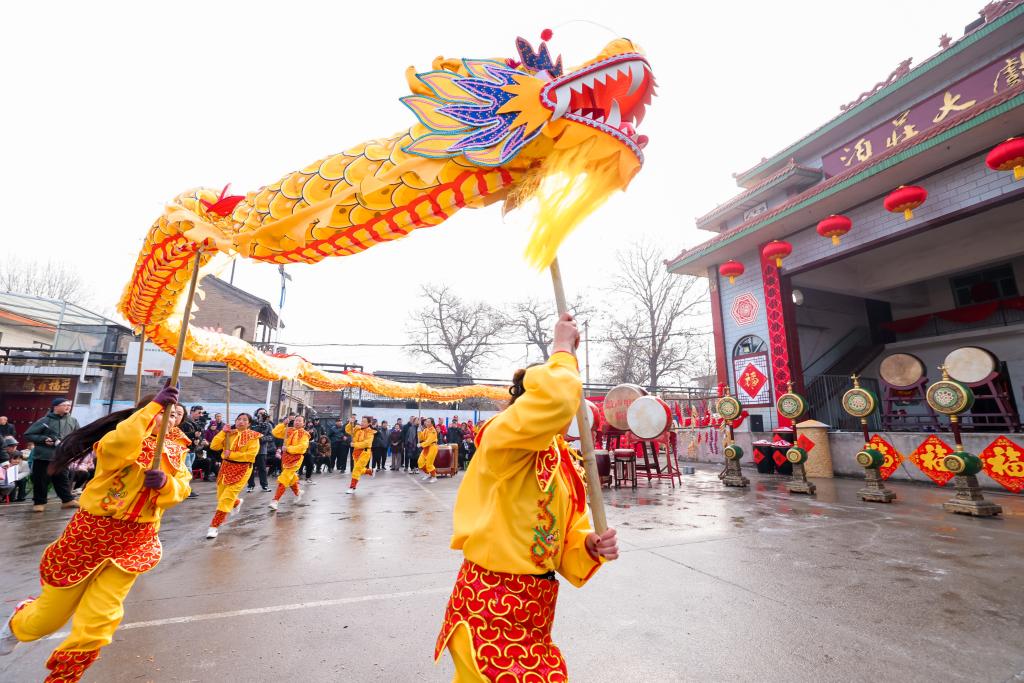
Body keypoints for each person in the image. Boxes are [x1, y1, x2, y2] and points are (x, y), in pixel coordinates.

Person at [434, 313, 619, 680]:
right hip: (489, 605)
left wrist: (589, 544)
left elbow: (565, 530)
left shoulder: (561, 457)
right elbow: (558, 399)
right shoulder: (502, 438)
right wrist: (562, 348)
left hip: (534, 612)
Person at [0, 384, 190, 682]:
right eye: (166, 410)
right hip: (90, 535)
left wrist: (168, 485)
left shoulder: (178, 451)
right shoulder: (119, 439)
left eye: (176, 414)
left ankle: (64, 677)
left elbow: (182, 490)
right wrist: (153, 408)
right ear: (146, 411)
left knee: (100, 619)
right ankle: (17, 624)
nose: (171, 417)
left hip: (134, 542)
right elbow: (119, 446)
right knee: (47, 619)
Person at [205, 413, 261, 539]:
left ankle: (214, 526)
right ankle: (236, 502)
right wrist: (223, 432)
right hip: (225, 467)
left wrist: (232, 454)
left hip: (243, 468)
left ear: (249, 423)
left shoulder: (253, 436)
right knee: (221, 496)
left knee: (226, 498)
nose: (241, 421)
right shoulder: (229, 433)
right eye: (239, 419)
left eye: (245, 420)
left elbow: (250, 455)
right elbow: (214, 446)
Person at [23, 397, 81, 512]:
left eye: (69, 405)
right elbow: (28, 435)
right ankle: (39, 502)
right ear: (56, 407)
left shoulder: (73, 421)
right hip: (44, 456)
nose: (68, 407)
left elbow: (77, 436)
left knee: (62, 479)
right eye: (65, 405)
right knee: (41, 480)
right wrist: (44, 439)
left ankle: (67, 500)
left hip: (62, 456)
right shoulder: (44, 420)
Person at [268, 415, 310, 511]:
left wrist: (288, 449)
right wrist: (283, 424)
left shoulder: (304, 434)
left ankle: (275, 500)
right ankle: (298, 492)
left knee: (284, 478)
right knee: (290, 478)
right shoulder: (289, 430)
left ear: (304, 423)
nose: (297, 422)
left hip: (296, 459)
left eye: (300, 421)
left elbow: (302, 447)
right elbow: (275, 432)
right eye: (296, 420)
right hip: (285, 458)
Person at [179, 406, 205, 498]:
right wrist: (193, 434)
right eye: (199, 412)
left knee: (187, 471)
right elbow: (180, 434)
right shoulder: (183, 421)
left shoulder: (197, 423)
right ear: (192, 412)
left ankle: (184, 490)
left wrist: (198, 440)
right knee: (188, 471)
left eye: (201, 413)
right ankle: (187, 491)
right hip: (185, 449)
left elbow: (200, 435)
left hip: (192, 449)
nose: (200, 415)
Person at [345, 416, 375, 494]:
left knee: (356, 470)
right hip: (356, 452)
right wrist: (350, 423)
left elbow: (366, 443)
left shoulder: (370, 432)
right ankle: (368, 471)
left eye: (364, 422)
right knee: (359, 470)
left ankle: (352, 487)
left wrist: (354, 444)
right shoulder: (357, 428)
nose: (362, 423)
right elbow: (348, 430)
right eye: (362, 421)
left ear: (369, 423)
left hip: (365, 453)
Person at [247, 408, 274, 493]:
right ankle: (250, 485)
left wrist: (261, 439)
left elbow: (271, 437)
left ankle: (264, 485)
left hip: (262, 450)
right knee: (250, 469)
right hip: (251, 450)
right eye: (260, 413)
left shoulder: (268, 425)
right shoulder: (252, 424)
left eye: (263, 413)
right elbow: (248, 434)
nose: (261, 415)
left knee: (262, 469)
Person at [1, 437, 29, 502]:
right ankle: (9, 497)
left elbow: (26, 470)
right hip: (4, 476)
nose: (14, 447)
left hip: (17, 476)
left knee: (23, 480)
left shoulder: (19, 454)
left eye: (15, 446)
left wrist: (16, 477)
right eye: (11, 446)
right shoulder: (2, 454)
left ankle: (21, 497)